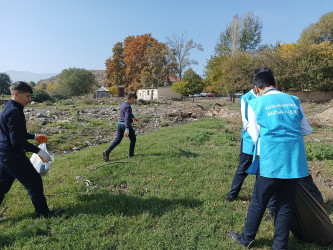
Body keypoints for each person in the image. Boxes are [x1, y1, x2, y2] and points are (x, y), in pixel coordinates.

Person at [229, 67, 312, 249]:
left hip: (271, 162)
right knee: (285, 206)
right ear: (275, 84)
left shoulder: (255, 104)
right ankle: (279, 246)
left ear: (256, 89)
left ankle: (247, 239)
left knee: (258, 202)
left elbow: (254, 134)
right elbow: (306, 130)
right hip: (294, 162)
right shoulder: (294, 100)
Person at [0, 81, 63, 218]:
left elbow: (15, 133)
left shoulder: (8, 107)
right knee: (34, 181)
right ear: (17, 94)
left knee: (2, 186)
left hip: (3, 154)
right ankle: (43, 213)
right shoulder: (14, 112)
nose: (30, 100)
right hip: (12, 155)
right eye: (27, 96)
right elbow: (16, 141)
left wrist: (35, 136)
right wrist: (39, 151)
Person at [224, 89, 277, 220]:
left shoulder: (271, 96)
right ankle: (232, 195)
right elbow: (247, 122)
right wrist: (257, 140)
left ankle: (272, 208)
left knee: (268, 173)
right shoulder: (246, 98)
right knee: (243, 168)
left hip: (267, 142)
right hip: (250, 141)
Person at [103, 93, 139, 161]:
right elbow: (126, 117)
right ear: (128, 99)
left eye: (134, 99)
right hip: (125, 124)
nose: (133, 101)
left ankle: (107, 151)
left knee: (118, 140)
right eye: (132, 99)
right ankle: (131, 155)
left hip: (120, 124)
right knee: (133, 139)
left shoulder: (123, 104)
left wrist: (134, 117)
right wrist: (127, 128)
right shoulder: (128, 106)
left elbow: (127, 114)